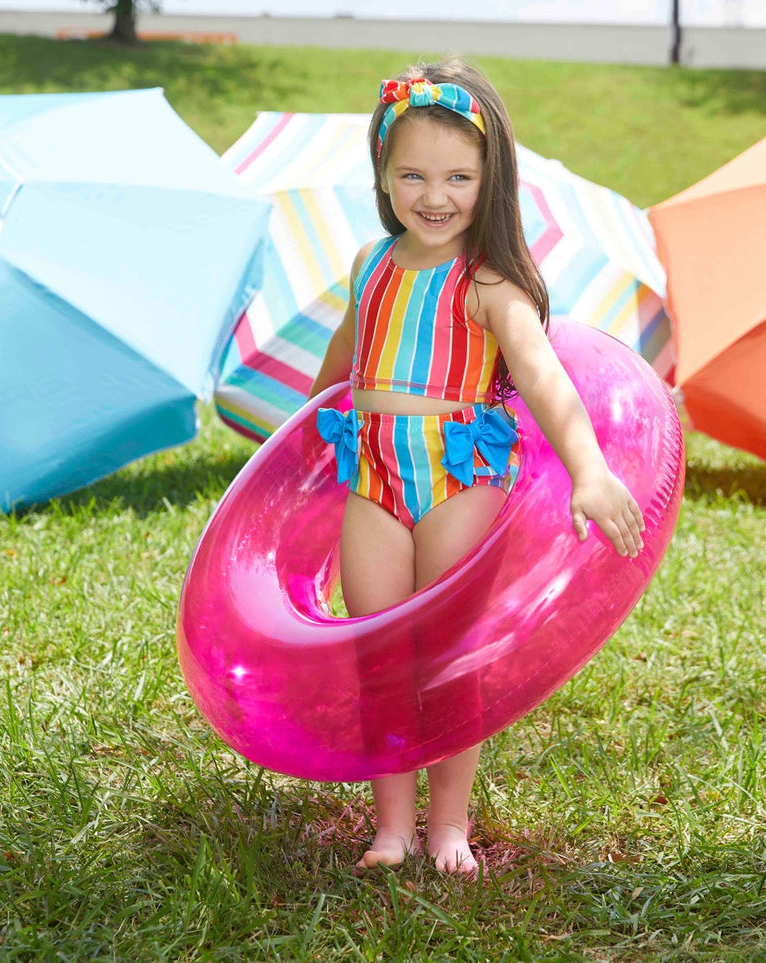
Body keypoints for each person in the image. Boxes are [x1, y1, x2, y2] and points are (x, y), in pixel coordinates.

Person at [308, 58, 645, 876]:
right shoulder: (371, 265)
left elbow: (541, 376)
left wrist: (589, 470)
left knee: (447, 653)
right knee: (379, 651)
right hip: (375, 477)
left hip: (457, 478)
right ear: (383, 174)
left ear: (489, 181)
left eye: (458, 176)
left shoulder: (488, 280)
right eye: (412, 174)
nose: (435, 195)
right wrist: (294, 450)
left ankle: (448, 824)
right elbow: (338, 365)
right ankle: (391, 827)